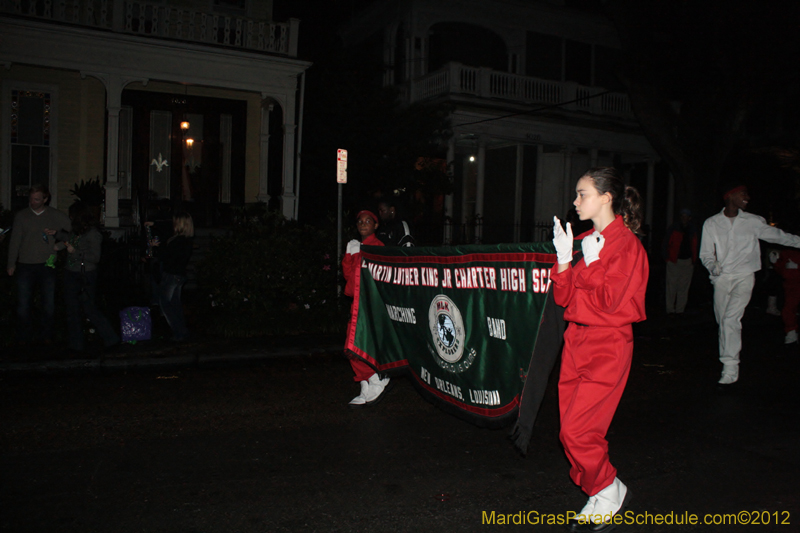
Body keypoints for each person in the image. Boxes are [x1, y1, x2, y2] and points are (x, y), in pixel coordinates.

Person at [551, 167, 648, 531]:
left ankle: (608, 488)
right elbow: (564, 296)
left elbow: (609, 301)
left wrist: (590, 263)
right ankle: (600, 490)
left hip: (607, 344)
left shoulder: (627, 246)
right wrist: (564, 258)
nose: (575, 202)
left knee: (579, 432)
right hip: (576, 341)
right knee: (569, 431)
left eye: (582, 194)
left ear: (607, 197)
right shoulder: (589, 239)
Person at [699, 183, 800, 385]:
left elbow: (780, 237)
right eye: (743, 194)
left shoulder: (753, 222)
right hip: (722, 279)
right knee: (724, 324)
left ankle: (730, 368)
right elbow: (706, 254)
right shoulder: (712, 223)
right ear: (730, 196)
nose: (747, 198)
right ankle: (728, 361)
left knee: (730, 320)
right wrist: (713, 267)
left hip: (744, 277)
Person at [49, 201, 120, 354]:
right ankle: (76, 345)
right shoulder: (77, 230)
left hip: (85, 274)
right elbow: (70, 238)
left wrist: (75, 252)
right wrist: (56, 234)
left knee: (89, 308)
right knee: (72, 310)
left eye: (72, 216)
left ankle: (111, 339)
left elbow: (94, 257)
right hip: (71, 272)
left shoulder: (93, 234)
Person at [6, 184, 71, 343]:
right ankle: (24, 339)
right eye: (31, 199)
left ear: (45, 199)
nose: (33, 202)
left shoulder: (55, 215)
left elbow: (71, 233)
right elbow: (15, 241)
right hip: (25, 265)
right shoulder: (22, 216)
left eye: (36, 199)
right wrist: (11, 263)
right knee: (23, 306)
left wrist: (60, 245)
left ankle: (46, 339)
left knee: (48, 305)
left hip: (46, 266)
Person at [343, 209, 391, 407]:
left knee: (357, 345)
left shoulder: (378, 247)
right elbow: (348, 277)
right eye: (360, 221)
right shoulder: (357, 245)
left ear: (375, 225)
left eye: (368, 221)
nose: (363, 224)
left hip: (369, 304)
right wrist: (349, 254)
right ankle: (367, 383)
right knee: (352, 347)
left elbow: (371, 279)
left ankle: (375, 379)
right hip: (357, 303)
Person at [151, 212, 194, 341]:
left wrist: (156, 248)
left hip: (171, 274)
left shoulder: (178, 241)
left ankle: (179, 332)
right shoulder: (185, 239)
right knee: (175, 304)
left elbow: (166, 257)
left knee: (165, 304)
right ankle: (182, 331)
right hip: (178, 274)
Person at [662, 208, 698, 315]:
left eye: (686, 216)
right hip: (674, 261)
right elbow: (665, 243)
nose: (684, 218)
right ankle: (670, 309)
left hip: (687, 261)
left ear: (689, 218)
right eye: (682, 216)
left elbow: (695, 245)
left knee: (683, 287)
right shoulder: (674, 228)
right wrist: (667, 258)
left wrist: (694, 260)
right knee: (671, 286)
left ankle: (680, 310)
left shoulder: (692, 229)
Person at [770, 247, 800, 344]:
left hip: (794, 284)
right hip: (791, 286)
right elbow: (782, 270)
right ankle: (791, 333)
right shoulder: (786, 252)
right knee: (788, 310)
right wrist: (775, 263)